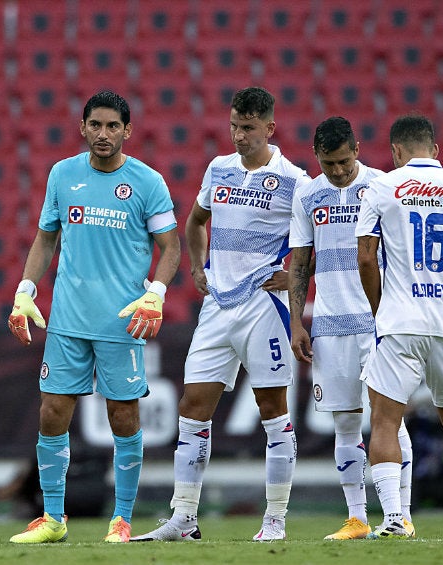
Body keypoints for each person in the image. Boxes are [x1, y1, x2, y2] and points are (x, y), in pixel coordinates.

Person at [132, 86, 308, 543]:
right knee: (192, 408)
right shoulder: (218, 168)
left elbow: (319, 242)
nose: (238, 135)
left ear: (270, 128)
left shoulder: (296, 180)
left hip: (264, 308)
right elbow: (194, 221)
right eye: (234, 125)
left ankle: (275, 519)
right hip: (218, 305)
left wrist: (296, 280)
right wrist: (197, 266)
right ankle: (184, 518)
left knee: (273, 411)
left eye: (248, 128)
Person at [6, 90, 180, 544]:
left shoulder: (147, 182)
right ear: (82, 127)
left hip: (121, 322)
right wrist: (25, 290)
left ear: (128, 131)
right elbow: (46, 239)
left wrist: (156, 293)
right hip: (66, 318)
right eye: (95, 125)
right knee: (52, 413)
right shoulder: (63, 175)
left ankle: (121, 519)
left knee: (123, 417)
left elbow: (172, 247)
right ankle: (53, 520)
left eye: (112, 126)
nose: (103, 134)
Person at [355, 114, 443, 539]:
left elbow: (365, 257)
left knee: (384, 420)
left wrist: (381, 309)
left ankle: (396, 519)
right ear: (434, 149)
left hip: (401, 321)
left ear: (396, 151)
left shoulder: (382, 186)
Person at [288, 116, 415, 540]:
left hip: (378, 323)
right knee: (344, 423)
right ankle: (357, 518)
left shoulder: (383, 186)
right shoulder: (307, 196)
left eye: (343, 161)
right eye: (328, 164)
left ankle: (404, 514)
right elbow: (301, 263)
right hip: (328, 323)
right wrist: (296, 322)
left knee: (390, 420)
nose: (338, 171)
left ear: (357, 148)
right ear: (316, 158)